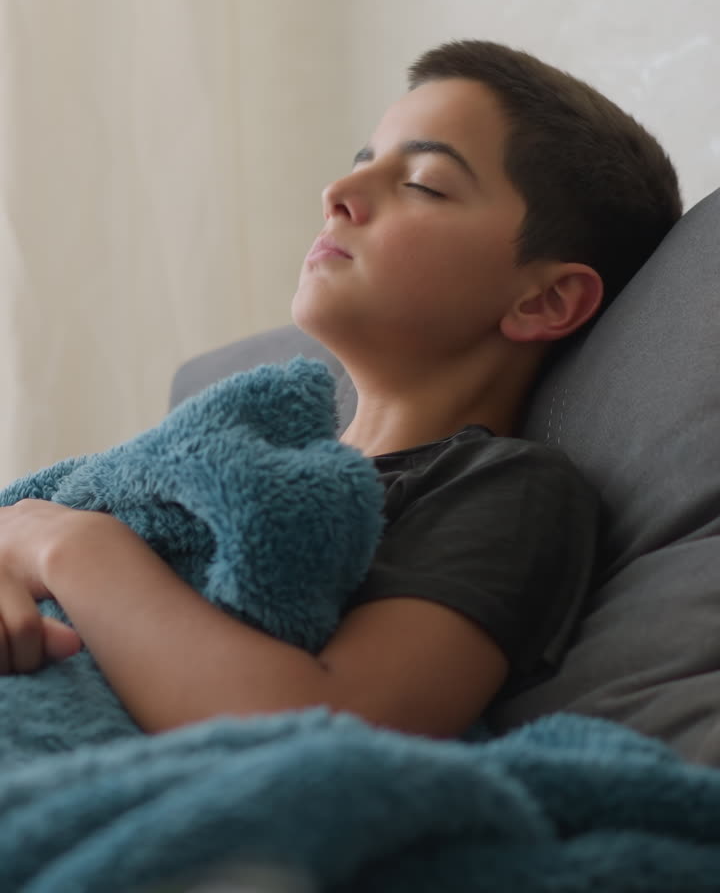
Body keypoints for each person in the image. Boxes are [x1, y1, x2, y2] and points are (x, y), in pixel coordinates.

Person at [0, 40, 681, 740]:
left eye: (423, 183)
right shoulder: (247, 455)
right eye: (362, 163)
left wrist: (69, 549)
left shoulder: (506, 491)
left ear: (546, 300)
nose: (338, 195)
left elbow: (331, 729)